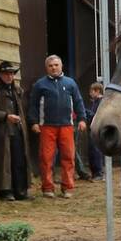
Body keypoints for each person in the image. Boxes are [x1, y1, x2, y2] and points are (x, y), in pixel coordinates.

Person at [29, 55, 87, 199]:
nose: (54, 68)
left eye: (56, 65)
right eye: (51, 66)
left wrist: (82, 119)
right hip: (47, 126)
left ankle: (68, 187)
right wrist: (34, 122)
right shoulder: (40, 84)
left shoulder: (70, 83)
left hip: (66, 126)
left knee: (68, 157)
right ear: (46, 68)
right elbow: (33, 105)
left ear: (61, 66)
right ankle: (48, 188)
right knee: (46, 158)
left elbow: (78, 101)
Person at [0, 62, 31, 201]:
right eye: (6, 74)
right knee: (3, 162)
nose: (9, 76)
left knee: (19, 160)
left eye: (11, 74)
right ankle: (6, 192)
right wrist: (6, 116)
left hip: (18, 130)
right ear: (0, 75)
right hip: (1, 131)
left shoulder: (17, 90)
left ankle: (21, 191)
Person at [85, 82, 105, 182]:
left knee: (96, 151)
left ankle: (99, 173)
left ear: (97, 91)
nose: (90, 93)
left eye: (91, 91)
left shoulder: (100, 102)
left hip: (97, 129)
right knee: (92, 151)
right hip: (94, 128)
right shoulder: (96, 102)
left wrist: (85, 112)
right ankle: (95, 173)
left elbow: (96, 115)